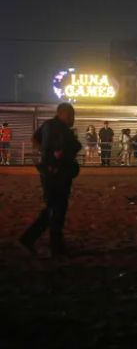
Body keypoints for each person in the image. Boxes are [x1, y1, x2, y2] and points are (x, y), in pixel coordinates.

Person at [19, 103, 81, 258]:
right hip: (56, 173)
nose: (73, 119)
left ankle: (31, 239)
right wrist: (52, 158)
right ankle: (55, 248)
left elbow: (35, 139)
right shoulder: (58, 129)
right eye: (71, 115)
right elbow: (63, 149)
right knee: (57, 209)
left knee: (53, 208)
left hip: (52, 172)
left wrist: (45, 154)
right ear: (62, 114)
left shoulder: (49, 126)